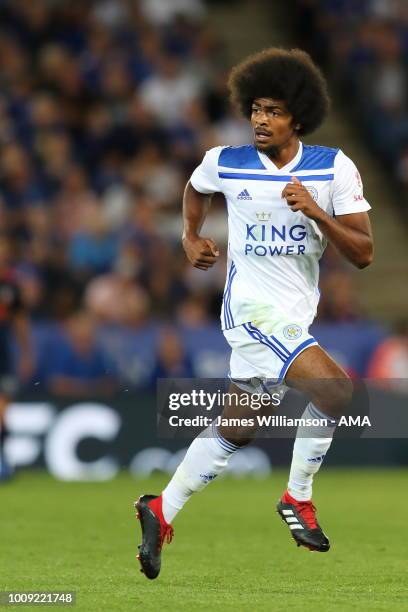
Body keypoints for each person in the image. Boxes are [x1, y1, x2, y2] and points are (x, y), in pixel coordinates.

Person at [135, 48, 373, 579]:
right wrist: (190, 235)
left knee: (239, 428)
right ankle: (298, 497)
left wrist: (315, 212)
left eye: (275, 111)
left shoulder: (333, 168)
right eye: (256, 109)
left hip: (294, 314)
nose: (261, 120)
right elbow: (196, 190)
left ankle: (161, 509)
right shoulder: (226, 161)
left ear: (299, 118)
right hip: (250, 312)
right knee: (336, 391)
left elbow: (363, 252)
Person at [0, 237, 34, 481]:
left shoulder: (11, 284)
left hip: (3, 349)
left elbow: (20, 320)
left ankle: (2, 458)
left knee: (3, 406)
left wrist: (25, 352)